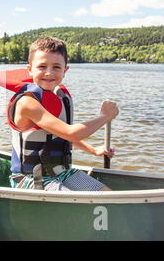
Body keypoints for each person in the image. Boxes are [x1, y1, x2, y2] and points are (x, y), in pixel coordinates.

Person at [7, 37, 119, 191]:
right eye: (42, 66)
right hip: (31, 178)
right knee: (73, 202)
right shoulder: (28, 103)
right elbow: (71, 134)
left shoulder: (58, 97)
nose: (49, 73)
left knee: (107, 196)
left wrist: (93, 150)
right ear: (30, 69)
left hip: (62, 173)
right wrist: (104, 117)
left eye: (56, 67)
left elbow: (61, 136)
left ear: (65, 70)